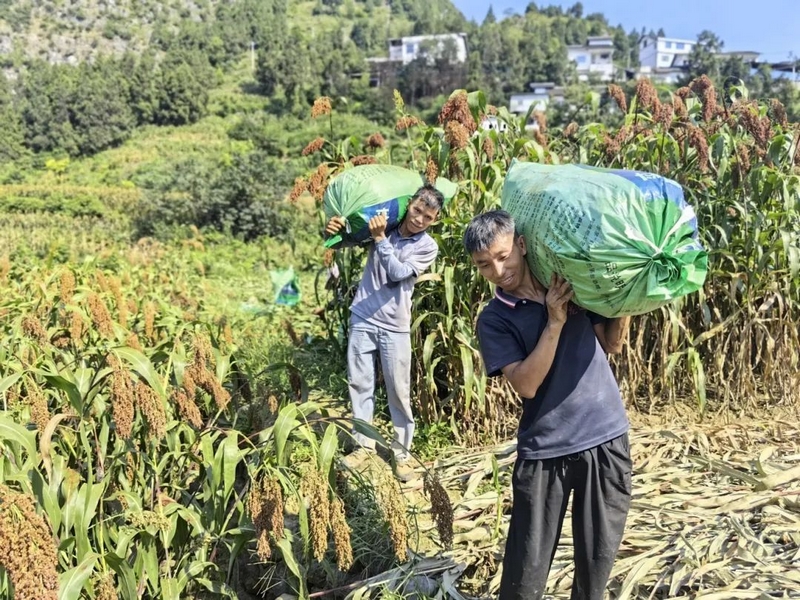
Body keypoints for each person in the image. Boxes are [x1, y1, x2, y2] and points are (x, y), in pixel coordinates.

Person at [463, 209, 632, 600]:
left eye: (503, 256)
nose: (498, 270)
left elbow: (612, 344)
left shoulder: (569, 282)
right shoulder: (494, 319)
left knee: (595, 571)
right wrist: (554, 323)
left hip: (605, 438)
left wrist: (625, 298)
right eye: (484, 264)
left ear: (521, 245)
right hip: (546, 450)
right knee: (525, 576)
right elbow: (526, 384)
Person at [325, 184, 444, 482]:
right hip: (363, 317)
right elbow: (343, 240)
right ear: (409, 204)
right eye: (416, 210)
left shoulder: (427, 246)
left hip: (395, 326)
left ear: (435, 220)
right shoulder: (385, 224)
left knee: (398, 391)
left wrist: (380, 239)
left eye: (427, 217)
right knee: (359, 384)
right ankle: (362, 445)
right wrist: (332, 229)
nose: (419, 219)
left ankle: (401, 454)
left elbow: (398, 273)